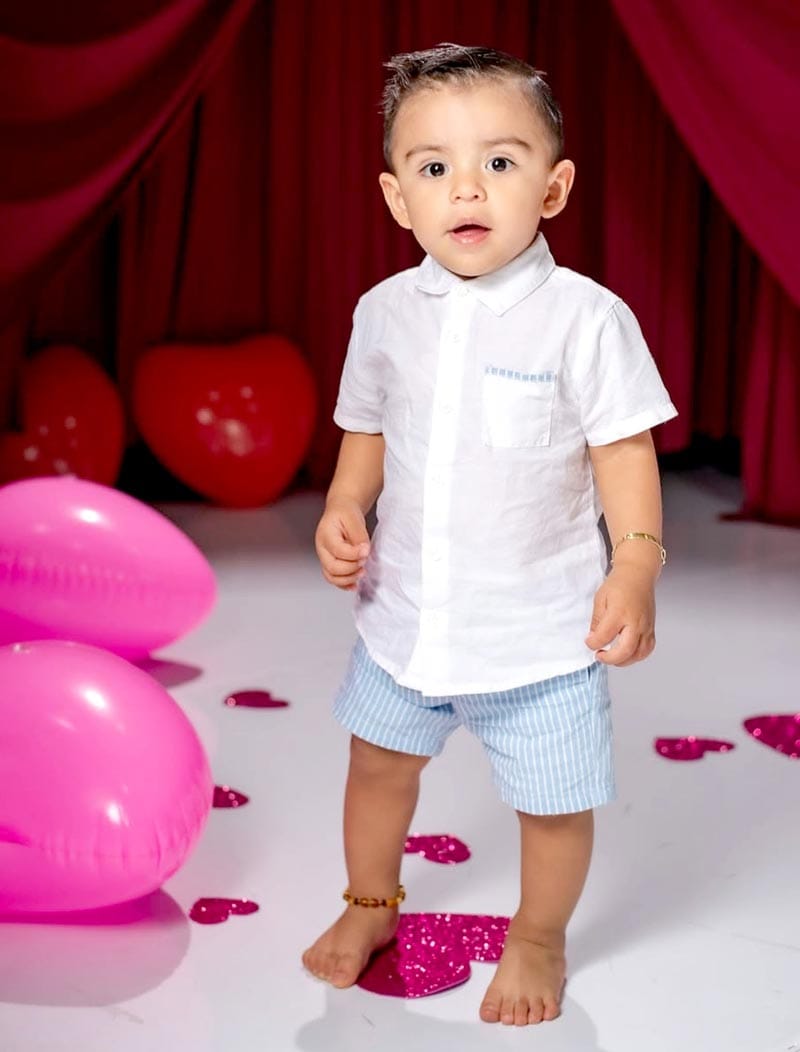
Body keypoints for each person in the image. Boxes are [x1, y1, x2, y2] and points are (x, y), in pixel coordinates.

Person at [302, 43, 677, 1027]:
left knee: (552, 803)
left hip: (538, 632)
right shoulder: (384, 314)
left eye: (499, 161)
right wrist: (344, 504)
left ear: (552, 187)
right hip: (407, 616)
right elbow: (366, 428)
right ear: (397, 199)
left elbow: (622, 451)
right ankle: (370, 903)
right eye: (434, 167)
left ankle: (539, 934)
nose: (465, 187)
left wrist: (636, 560)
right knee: (377, 767)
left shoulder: (585, 319)